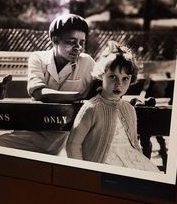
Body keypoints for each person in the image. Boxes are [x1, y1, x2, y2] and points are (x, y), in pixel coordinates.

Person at [0, 14, 95, 155]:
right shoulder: (38, 58)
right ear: (55, 40)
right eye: (71, 42)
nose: (78, 47)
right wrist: (80, 95)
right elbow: (38, 92)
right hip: (31, 131)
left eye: (82, 43)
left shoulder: (87, 62)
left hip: (64, 138)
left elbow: (103, 87)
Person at [66, 41, 160, 172]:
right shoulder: (92, 108)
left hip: (129, 161)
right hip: (102, 164)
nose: (118, 84)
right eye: (112, 77)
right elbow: (73, 145)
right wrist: (82, 172)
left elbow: (134, 145)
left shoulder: (129, 109)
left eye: (125, 78)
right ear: (101, 75)